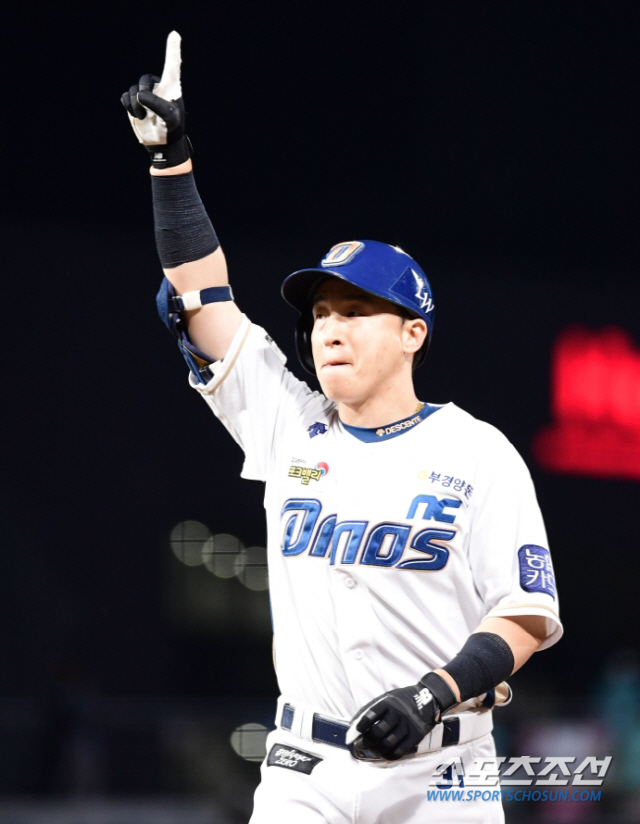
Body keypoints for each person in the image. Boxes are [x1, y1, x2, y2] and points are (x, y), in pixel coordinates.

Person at [122, 32, 563, 824]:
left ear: (413, 333)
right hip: (304, 768)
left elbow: (525, 614)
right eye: (321, 313)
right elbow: (203, 299)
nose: (330, 327)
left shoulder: (477, 452)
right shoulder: (289, 425)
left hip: (444, 768)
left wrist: (433, 694)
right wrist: (170, 162)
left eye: (356, 311)